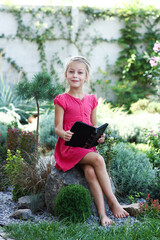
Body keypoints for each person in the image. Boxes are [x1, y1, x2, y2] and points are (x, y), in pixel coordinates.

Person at [54, 56, 129, 226]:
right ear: (66, 74)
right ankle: (113, 201)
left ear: (86, 76)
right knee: (98, 159)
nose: (75, 75)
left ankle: (103, 215)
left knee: (90, 172)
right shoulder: (61, 99)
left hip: (86, 147)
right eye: (71, 72)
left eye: (80, 72)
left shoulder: (92, 100)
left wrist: (100, 138)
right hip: (69, 147)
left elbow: (93, 128)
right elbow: (57, 127)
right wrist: (63, 133)